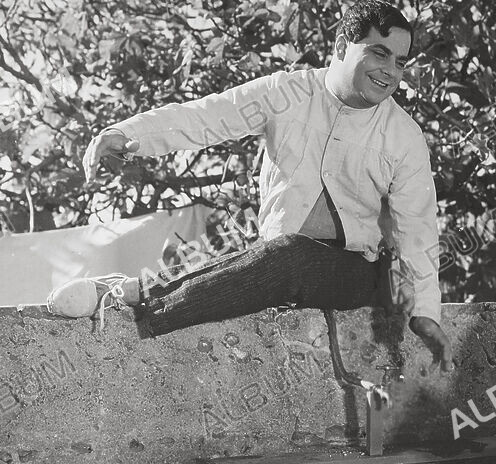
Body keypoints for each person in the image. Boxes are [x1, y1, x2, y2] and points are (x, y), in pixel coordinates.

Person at [47, 0, 453, 371]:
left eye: (400, 62)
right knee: (254, 255)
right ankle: (125, 289)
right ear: (341, 46)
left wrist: (427, 313)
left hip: (356, 272)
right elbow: (205, 117)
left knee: (289, 256)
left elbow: (417, 230)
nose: (390, 71)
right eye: (379, 53)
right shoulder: (287, 92)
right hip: (274, 259)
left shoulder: (404, 136)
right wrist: (126, 133)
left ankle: (129, 296)